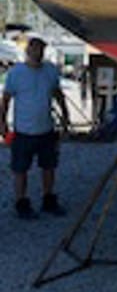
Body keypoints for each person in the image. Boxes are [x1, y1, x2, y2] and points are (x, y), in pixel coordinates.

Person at [0, 35, 70, 218]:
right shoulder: (16, 73)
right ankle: (21, 203)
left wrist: (65, 116)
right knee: (20, 169)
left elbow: (58, 94)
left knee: (49, 166)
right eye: (34, 49)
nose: (38, 52)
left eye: (41, 49)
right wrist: (2, 123)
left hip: (46, 129)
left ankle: (48, 200)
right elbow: (5, 100)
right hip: (23, 131)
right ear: (27, 50)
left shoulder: (50, 71)